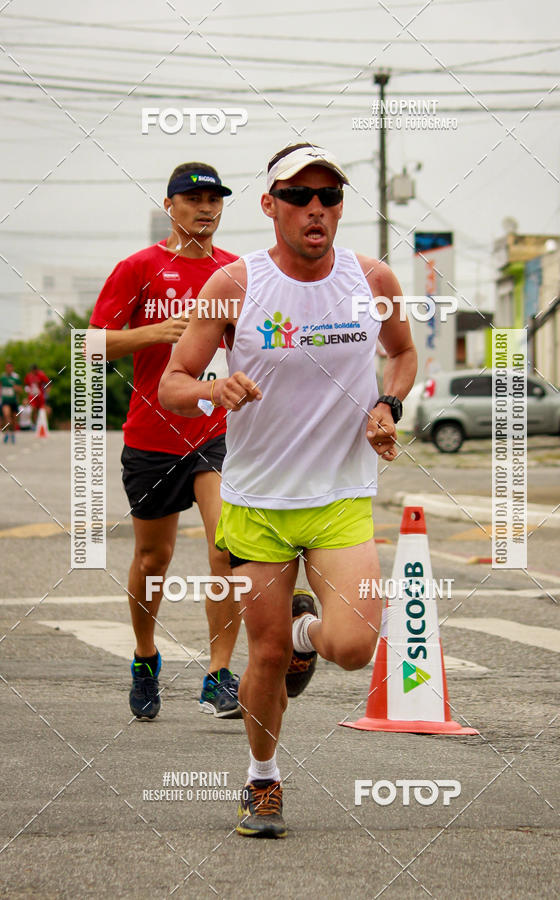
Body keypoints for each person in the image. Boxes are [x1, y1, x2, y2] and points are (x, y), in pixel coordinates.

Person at [158, 143, 418, 838]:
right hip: (257, 501)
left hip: (337, 495)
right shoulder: (234, 287)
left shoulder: (372, 278)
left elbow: (401, 352)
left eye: (329, 197)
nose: (316, 209)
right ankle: (263, 781)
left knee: (356, 646)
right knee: (264, 656)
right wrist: (214, 386)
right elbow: (173, 383)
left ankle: (311, 634)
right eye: (299, 196)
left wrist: (388, 408)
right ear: (269, 205)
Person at [89, 162, 246, 721]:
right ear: (170, 205)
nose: (206, 208)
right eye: (194, 198)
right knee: (154, 558)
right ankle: (145, 656)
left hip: (216, 432)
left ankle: (219, 674)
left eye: (215, 199)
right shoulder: (138, 268)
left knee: (225, 544)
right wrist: (152, 333)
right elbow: (90, 346)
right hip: (152, 436)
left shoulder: (234, 272)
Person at [1, 361, 22, 443]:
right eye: (7, 367)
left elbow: (20, 390)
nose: (8, 369)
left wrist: (15, 388)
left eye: (10, 367)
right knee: (6, 416)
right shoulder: (3, 377)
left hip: (14, 401)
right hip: (5, 401)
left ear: (12, 368)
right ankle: (6, 433)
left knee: (13, 420)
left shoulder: (16, 377)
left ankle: (12, 433)